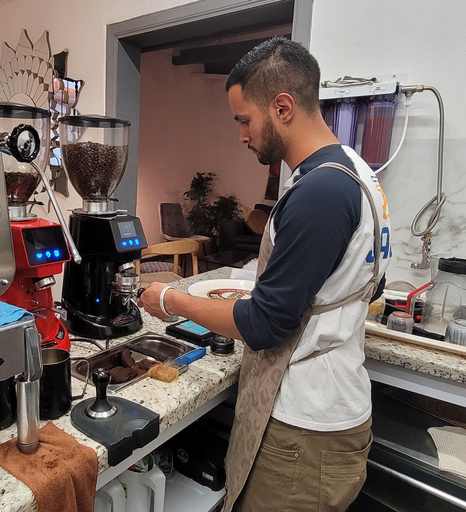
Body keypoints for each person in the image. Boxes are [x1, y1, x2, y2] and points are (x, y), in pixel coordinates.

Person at [139, 37, 392, 512]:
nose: (241, 135)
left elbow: (266, 324)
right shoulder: (357, 171)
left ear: (282, 107)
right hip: (334, 405)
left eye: (244, 120)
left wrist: (171, 301)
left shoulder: (320, 192)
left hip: (305, 428)